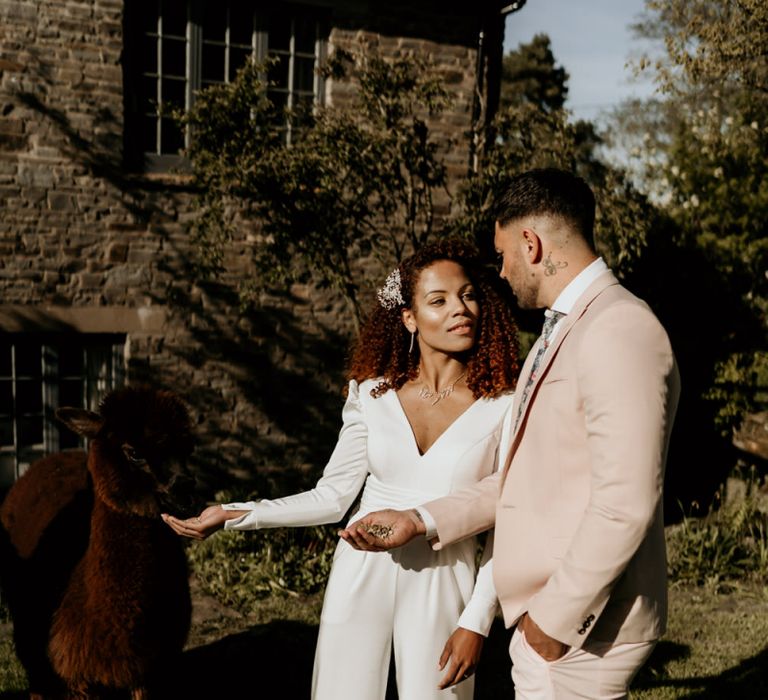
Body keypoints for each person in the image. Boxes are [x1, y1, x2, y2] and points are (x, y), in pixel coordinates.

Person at [341, 168, 681, 699]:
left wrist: (553, 621)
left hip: (577, 631)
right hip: (543, 621)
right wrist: (417, 519)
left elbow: (627, 502)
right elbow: (522, 478)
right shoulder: (566, 328)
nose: (500, 272)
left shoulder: (618, 328)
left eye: (502, 255)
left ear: (532, 243)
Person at [163, 238, 519, 699]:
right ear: (409, 318)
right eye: (439, 300)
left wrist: (476, 621)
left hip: (444, 574)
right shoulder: (371, 395)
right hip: (360, 568)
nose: (461, 309)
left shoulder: (505, 406)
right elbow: (331, 497)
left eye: (468, 295)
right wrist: (233, 514)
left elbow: (506, 516)